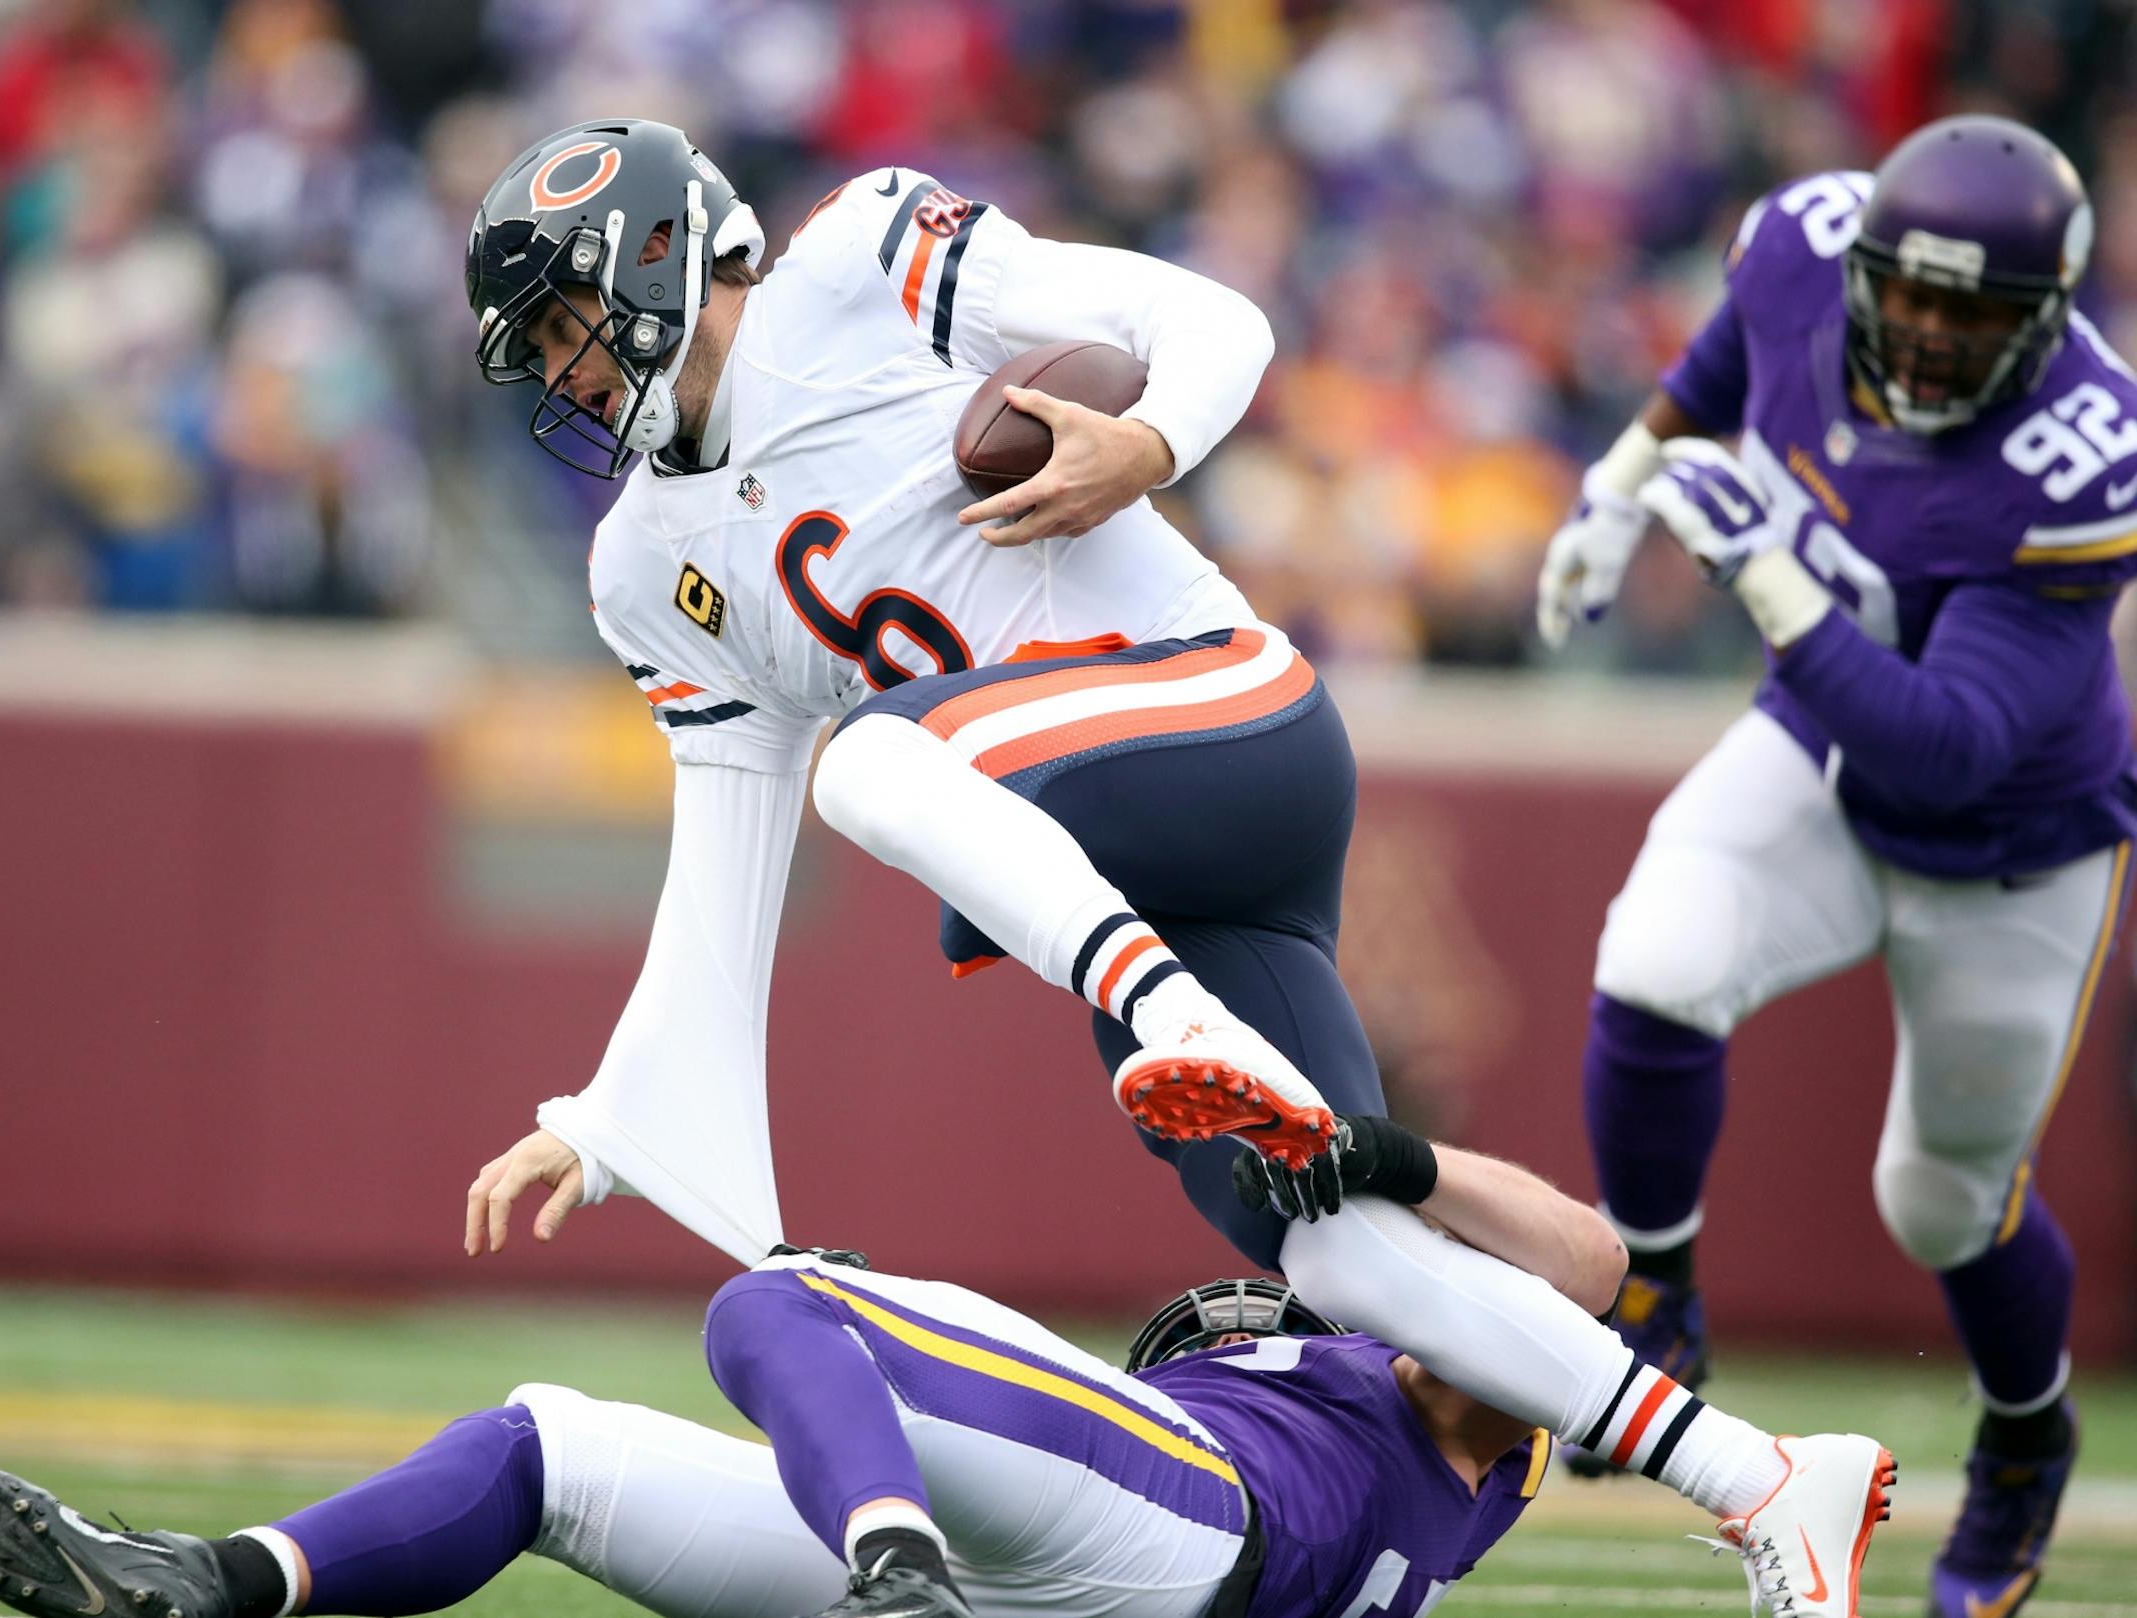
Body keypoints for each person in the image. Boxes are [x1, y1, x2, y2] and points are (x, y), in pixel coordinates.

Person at [452, 121, 1887, 1572]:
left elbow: (1205, 319)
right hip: (1122, 863)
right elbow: (724, 853)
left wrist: (1142, 444)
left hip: (1218, 713)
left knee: (875, 756)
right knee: (1337, 1249)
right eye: (545, 349)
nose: (570, 372)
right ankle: (1763, 1475)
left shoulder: (859, 259)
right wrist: (610, 1113)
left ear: (657, 256)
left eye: (572, 322)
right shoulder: (641, 565)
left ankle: (1171, 1015)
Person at [0, 1126, 1896, 1618]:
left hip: (1195, 1523)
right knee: (547, 1447)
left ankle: (885, 1566)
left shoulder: (1488, 1401)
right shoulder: (1397, 1403)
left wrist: (1394, 1160)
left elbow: (1583, 1268)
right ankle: (213, 1583)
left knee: (780, 1299)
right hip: (1116, 1552)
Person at [1534, 114, 2130, 1618]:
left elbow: (1950, 745)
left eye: (1973, 312)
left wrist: (1766, 575)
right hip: (1817, 750)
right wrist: (1615, 487)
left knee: (1939, 1198)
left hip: (2010, 848)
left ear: (2048, 321)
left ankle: (2022, 1433)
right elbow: (1718, 374)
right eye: (1911, 297)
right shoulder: (1801, 247)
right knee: (1654, 957)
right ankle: (1657, 1288)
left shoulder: (2078, 453)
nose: (1928, 336)